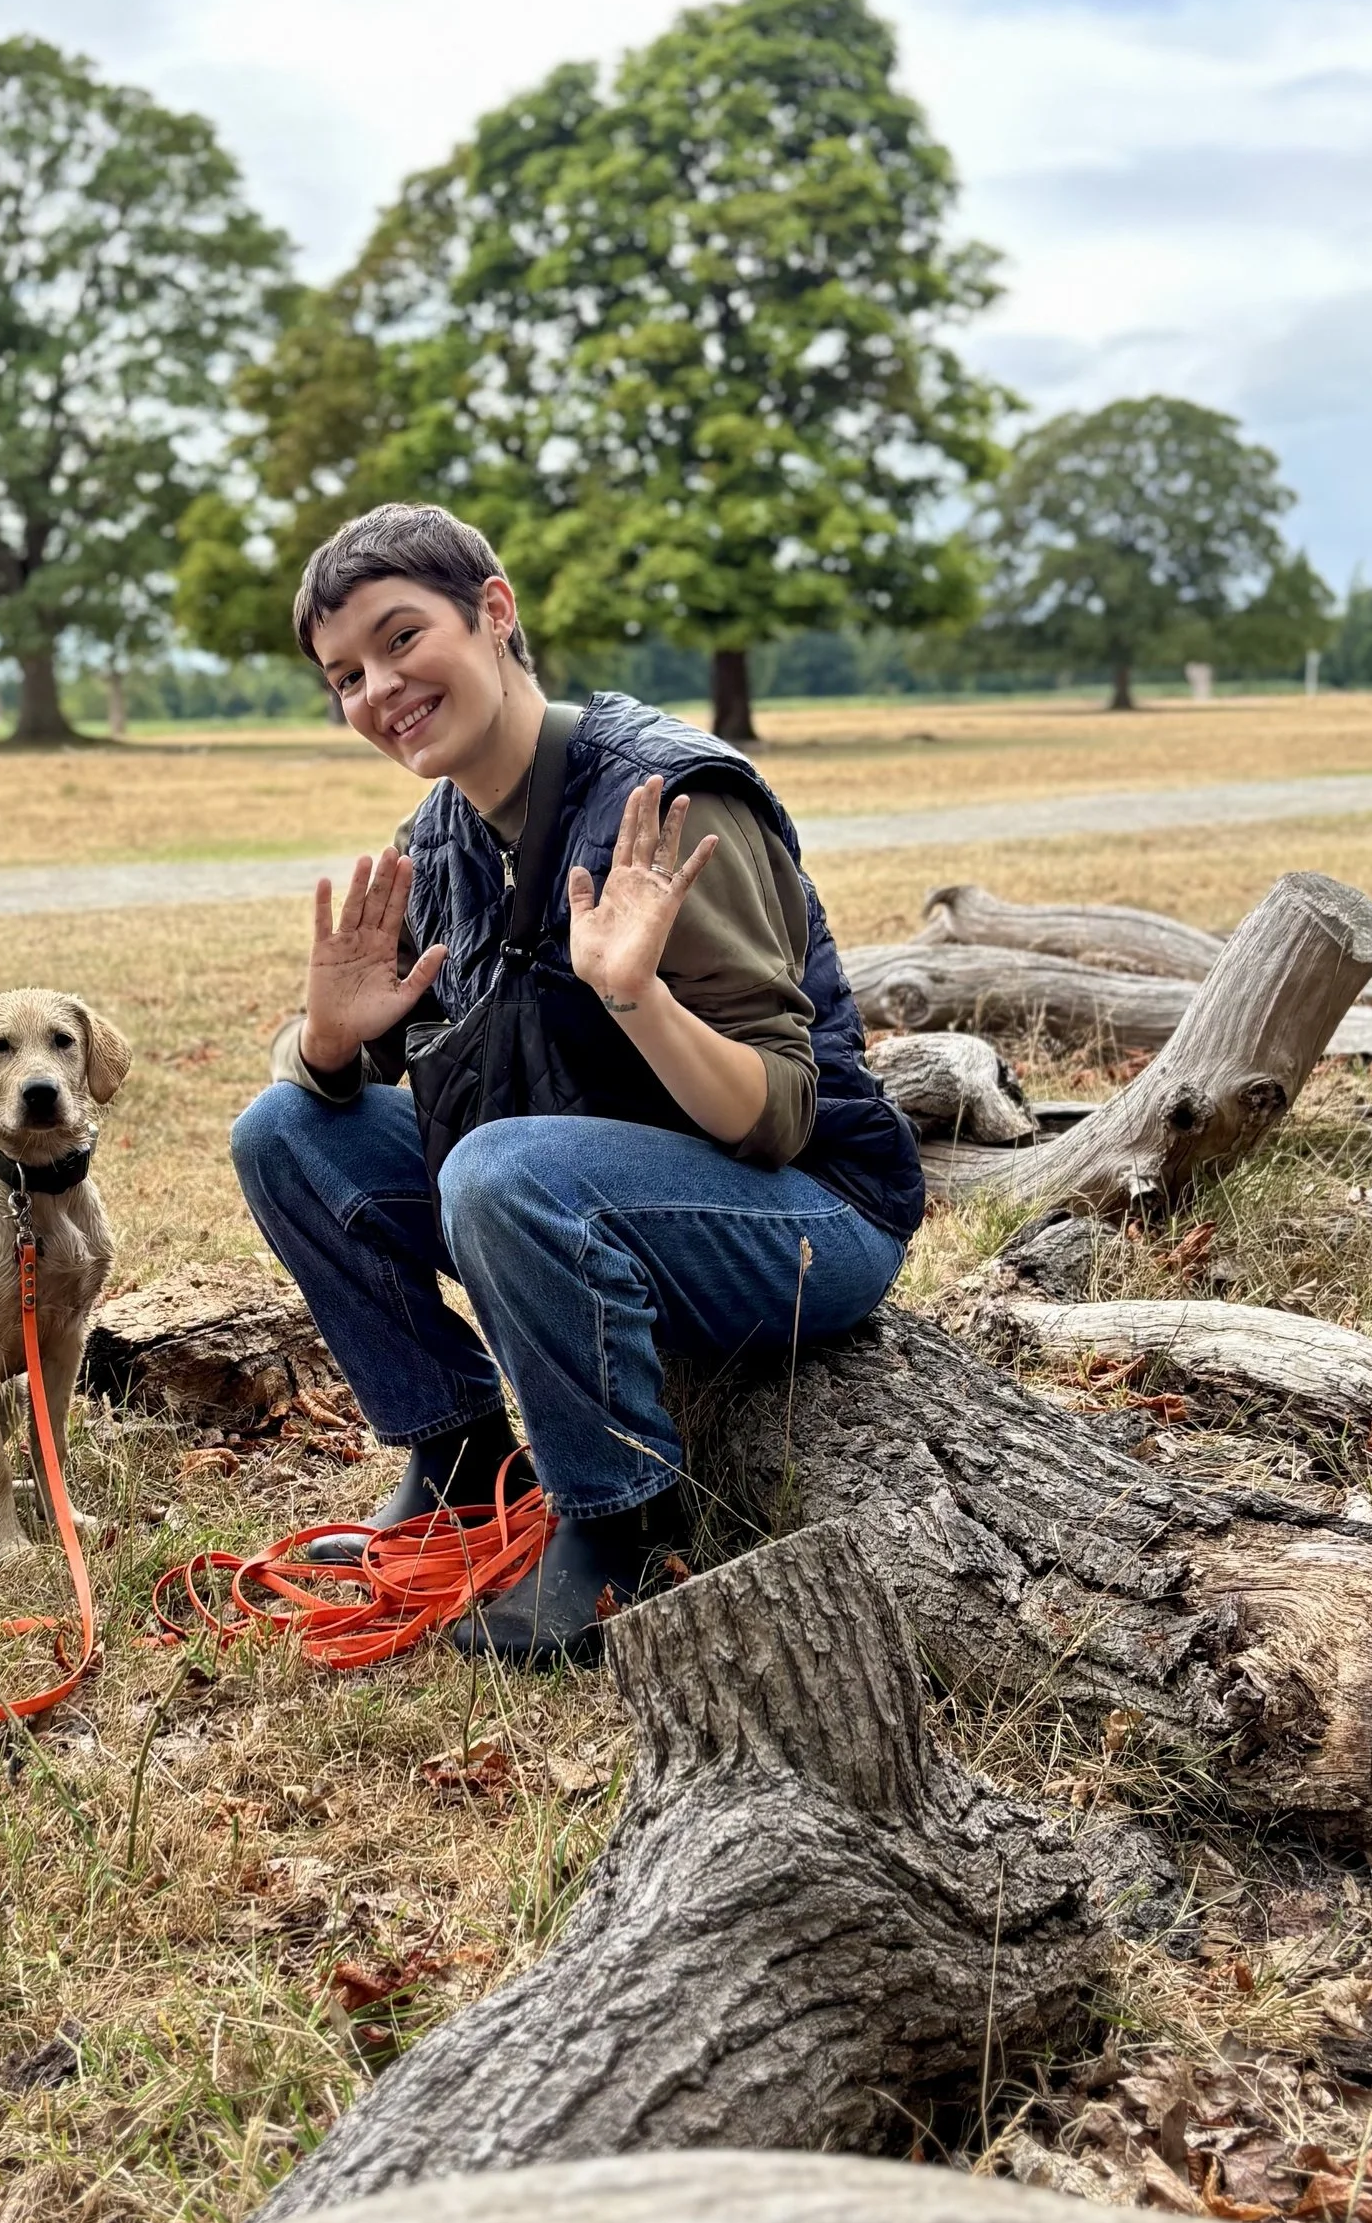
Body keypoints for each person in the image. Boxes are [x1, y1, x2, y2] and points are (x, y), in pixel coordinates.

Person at [230, 503, 924, 1667]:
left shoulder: (670, 804)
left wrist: (636, 998)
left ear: (494, 612)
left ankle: (624, 1529)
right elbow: (363, 1108)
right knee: (284, 1125)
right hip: (578, 1210)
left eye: (402, 640)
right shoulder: (440, 838)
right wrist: (328, 1043)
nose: (378, 690)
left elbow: (777, 1120)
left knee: (503, 1169)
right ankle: (462, 1464)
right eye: (344, 675)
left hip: (807, 1220)